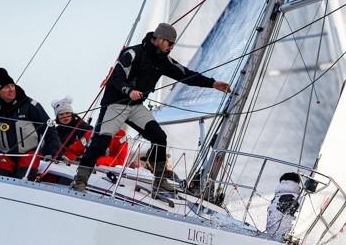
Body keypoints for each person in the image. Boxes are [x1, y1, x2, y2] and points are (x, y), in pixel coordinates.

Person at [71, 22, 231, 193]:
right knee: (101, 141)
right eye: (170, 43)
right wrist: (129, 90)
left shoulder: (163, 60)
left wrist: (212, 83)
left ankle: (160, 180)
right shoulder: (132, 53)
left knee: (159, 137)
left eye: (173, 44)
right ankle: (80, 180)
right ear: (160, 39)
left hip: (135, 107)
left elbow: (185, 74)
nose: (171, 47)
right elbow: (116, 77)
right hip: (115, 104)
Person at [0, 67, 61, 180]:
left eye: (12, 85)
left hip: (29, 154)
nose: (11, 89)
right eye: (7, 87)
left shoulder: (31, 105)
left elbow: (49, 129)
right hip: (5, 155)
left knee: (24, 180)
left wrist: (53, 151)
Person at [52, 97, 127, 166]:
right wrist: (68, 158)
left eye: (67, 113)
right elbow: (72, 151)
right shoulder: (91, 134)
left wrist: (96, 161)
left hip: (103, 170)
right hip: (83, 166)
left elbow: (120, 161)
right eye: (61, 114)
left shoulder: (121, 136)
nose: (65, 116)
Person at [265, 172, 302, 238]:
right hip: (281, 238)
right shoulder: (295, 198)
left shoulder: (278, 197)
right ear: (296, 183)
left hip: (270, 235)